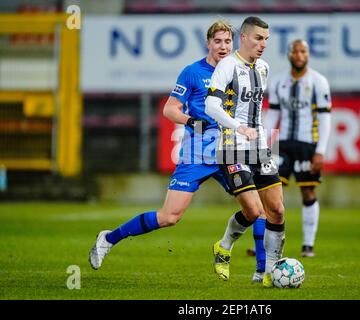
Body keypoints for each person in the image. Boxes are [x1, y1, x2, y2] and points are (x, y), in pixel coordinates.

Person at [88, 20, 236, 270]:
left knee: (258, 207)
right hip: (197, 153)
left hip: (230, 150)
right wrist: (193, 121)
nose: (223, 46)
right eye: (218, 41)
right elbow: (170, 109)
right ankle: (109, 238)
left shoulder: (238, 71)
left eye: (228, 41)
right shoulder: (193, 72)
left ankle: (261, 269)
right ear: (208, 43)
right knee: (170, 217)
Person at [205, 16, 285, 288]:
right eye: (259, 38)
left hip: (259, 147)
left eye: (266, 40)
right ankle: (224, 245)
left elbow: (258, 112)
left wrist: (264, 141)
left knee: (277, 210)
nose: (263, 45)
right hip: (231, 147)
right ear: (244, 37)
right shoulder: (227, 66)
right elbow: (211, 107)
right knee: (253, 211)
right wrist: (239, 128)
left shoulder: (263, 67)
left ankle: (270, 273)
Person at [263, 39, 332, 258]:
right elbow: (272, 115)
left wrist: (320, 150)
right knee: (270, 193)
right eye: (296, 51)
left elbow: (325, 119)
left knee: (308, 191)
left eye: (303, 51)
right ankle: (268, 245)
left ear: (308, 55)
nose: (299, 55)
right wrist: (266, 145)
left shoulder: (319, 82)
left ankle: (308, 244)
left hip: (307, 144)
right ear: (289, 54)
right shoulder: (277, 82)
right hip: (281, 144)